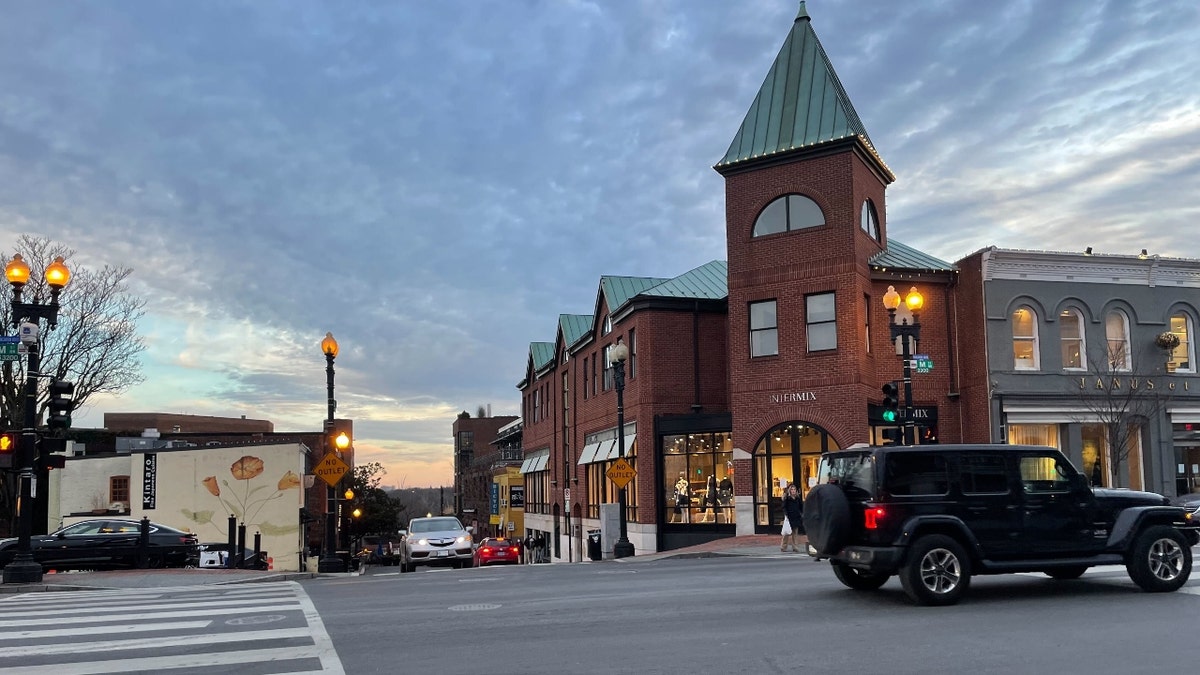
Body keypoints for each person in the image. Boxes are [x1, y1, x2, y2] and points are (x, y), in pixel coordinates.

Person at [781, 483, 804, 552]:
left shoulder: (797, 498)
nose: (793, 491)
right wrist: (786, 514)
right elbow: (784, 507)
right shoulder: (787, 498)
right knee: (787, 533)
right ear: (789, 491)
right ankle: (783, 547)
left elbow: (801, 506)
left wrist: (802, 513)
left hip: (796, 517)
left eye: (794, 489)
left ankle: (795, 547)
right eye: (792, 489)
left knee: (795, 533)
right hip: (789, 517)